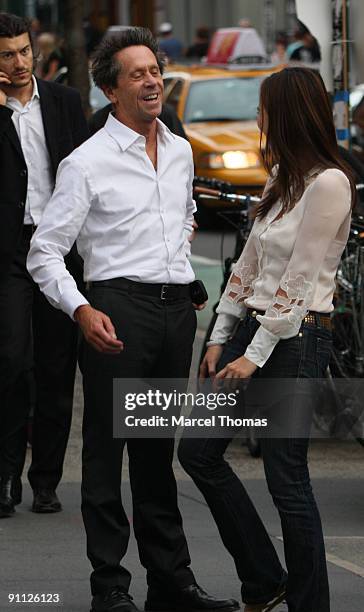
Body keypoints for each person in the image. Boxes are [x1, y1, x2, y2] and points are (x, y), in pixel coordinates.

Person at [27, 27, 239, 612]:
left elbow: (185, 210)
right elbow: (44, 252)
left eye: (156, 69)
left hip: (175, 314)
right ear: (110, 91)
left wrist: (177, 262)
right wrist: (82, 307)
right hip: (116, 310)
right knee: (106, 449)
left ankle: (171, 584)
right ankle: (109, 589)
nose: (153, 81)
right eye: (138, 74)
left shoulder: (179, 149)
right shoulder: (85, 162)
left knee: (154, 453)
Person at [178, 67, 356, 612]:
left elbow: (298, 281)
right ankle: (263, 577)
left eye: (263, 108)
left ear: (287, 114)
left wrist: (253, 358)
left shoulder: (330, 182)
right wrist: (221, 337)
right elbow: (248, 266)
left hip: (296, 340)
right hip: (254, 333)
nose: (257, 119)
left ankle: (309, 602)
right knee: (199, 453)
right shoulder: (283, 177)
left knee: (287, 478)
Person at [0, 12, 88, 518]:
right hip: (9, 252)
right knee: (11, 362)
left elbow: (84, 172)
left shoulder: (63, 102)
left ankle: (46, 479)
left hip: (57, 247)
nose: (19, 63)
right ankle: (6, 473)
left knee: (58, 367)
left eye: (24, 51)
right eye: (7, 54)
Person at [89, 100, 188, 139]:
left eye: (154, 72)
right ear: (110, 91)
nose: (151, 82)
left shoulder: (166, 114)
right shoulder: (98, 122)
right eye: (137, 76)